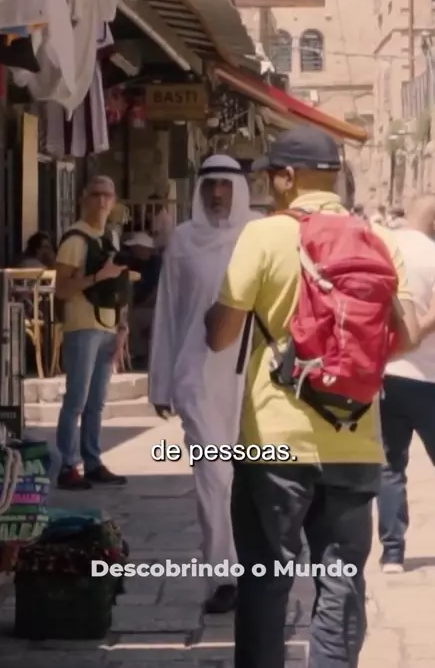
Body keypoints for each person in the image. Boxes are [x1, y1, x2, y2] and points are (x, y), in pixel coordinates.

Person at [205, 127, 419, 668]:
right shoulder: (377, 238)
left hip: (273, 442)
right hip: (356, 439)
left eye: (270, 177)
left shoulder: (264, 235)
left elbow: (221, 335)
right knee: (341, 580)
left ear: (286, 177)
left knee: (266, 575)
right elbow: (407, 335)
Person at [149, 154, 259, 615]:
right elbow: (168, 312)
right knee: (214, 477)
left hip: (250, 377)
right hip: (195, 377)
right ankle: (223, 577)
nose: (217, 194)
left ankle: (255, 568)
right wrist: (160, 384)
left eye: (225, 185)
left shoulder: (258, 234)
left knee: (249, 479)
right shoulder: (183, 241)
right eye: (210, 185)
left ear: (239, 189)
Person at [377, 194, 435, 573]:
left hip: (388, 376)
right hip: (431, 381)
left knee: (389, 465)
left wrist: (394, 346)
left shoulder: (384, 247)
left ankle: (392, 552)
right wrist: (412, 340)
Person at [54, 175, 128, 490]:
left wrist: (122, 328)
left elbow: (119, 286)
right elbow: (61, 289)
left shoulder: (111, 237)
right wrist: (96, 277)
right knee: (77, 400)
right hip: (82, 325)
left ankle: (93, 462)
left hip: (108, 326)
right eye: (96, 194)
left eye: (107, 195)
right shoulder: (74, 240)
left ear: (114, 201)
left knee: (96, 402)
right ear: (84, 198)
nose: (101, 201)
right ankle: (68, 465)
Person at [118, 232, 161, 367]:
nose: (134, 250)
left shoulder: (156, 266)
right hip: (141, 305)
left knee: (132, 319)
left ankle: (138, 355)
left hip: (153, 308)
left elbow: (154, 293)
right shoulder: (134, 263)